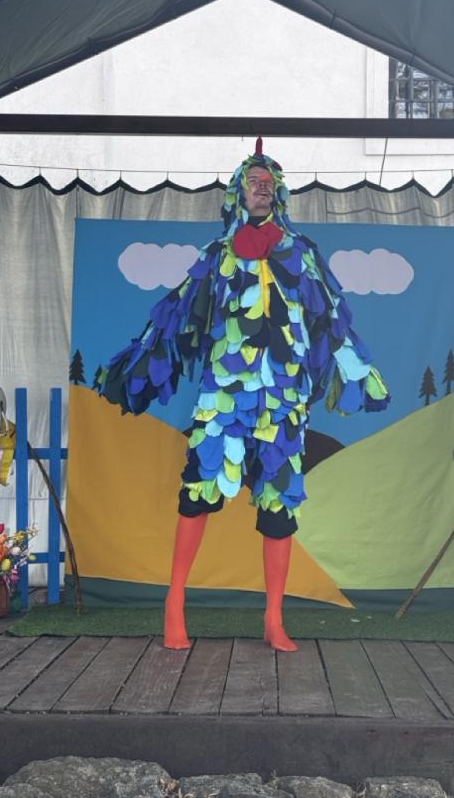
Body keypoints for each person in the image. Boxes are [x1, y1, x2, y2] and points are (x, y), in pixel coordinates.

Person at [103, 140, 390, 651]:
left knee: (279, 506)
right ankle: (174, 602)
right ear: (239, 191)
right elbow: (178, 314)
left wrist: (357, 372)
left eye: (268, 183)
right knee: (198, 493)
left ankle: (274, 618)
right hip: (226, 399)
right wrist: (142, 362)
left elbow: (331, 318)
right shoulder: (217, 256)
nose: (261, 189)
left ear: (279, 193)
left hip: (282, 402)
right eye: (253, 182)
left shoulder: (302, 254)